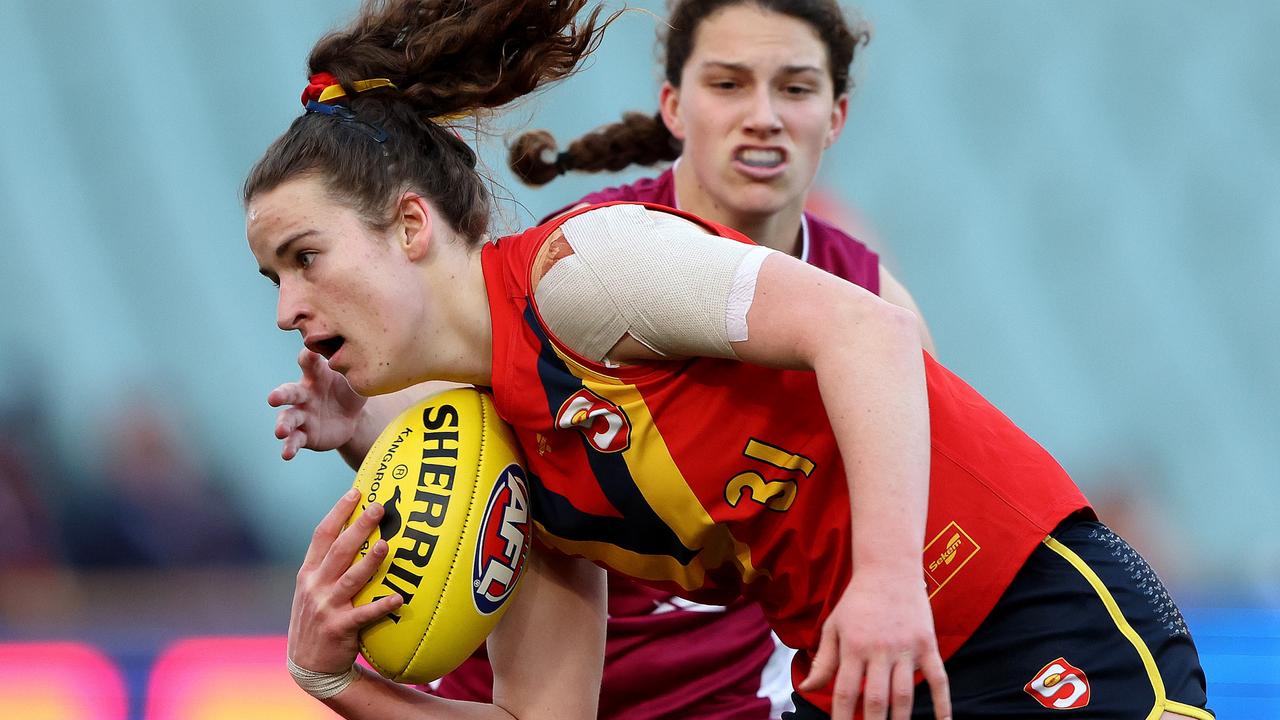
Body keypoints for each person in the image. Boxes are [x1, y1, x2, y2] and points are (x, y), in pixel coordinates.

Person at [244, 1, 1213, 718]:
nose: (289, 305)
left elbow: (868, 333)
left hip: (1021, 609)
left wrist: (880, 583)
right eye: (271, 276)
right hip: (865, 669)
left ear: (410, 224)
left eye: (305, 257)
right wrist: (335, 681)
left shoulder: (580, 272)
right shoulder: (513, 462)